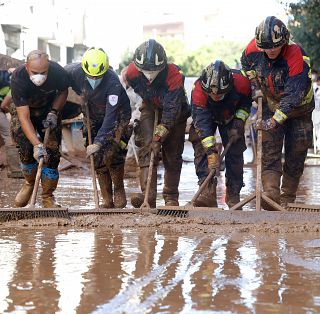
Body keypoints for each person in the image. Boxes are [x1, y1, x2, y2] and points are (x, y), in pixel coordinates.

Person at [241, 16, 314, 209]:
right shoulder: (251, 51)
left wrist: (274, 121)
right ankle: (271, 195)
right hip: (271, 104)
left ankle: (288, 197)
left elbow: (293, 94)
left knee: (297, 151)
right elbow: (246, 66)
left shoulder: (296, 56)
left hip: (300, 109)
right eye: (266, 47)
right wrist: (255, 84)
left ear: (284, 42)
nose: (271, 50)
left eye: (275, 46)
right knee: (270, 150)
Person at [122, 39, 190, 208]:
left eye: (154, 71)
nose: (150, 74)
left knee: (172, 154)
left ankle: (171, 196)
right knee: (146, 146)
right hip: (150, 106)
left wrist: (158, 138)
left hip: (176, 112)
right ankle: (148, 195)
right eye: (145, 70)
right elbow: (133, 90)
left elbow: (170, 113)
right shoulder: (131, 73)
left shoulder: (174, 76)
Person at [65, 47, 132, 208]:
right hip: (93, 112)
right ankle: (107, 199)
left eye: (98, 76)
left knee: (112, 152)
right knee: (97, 158)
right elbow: (58, 78)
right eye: (90, 75)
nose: (94, 78)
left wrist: (99, 142)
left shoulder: (113, 83)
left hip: (117, 115)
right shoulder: (73, 72)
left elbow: (110, 118)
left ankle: (119, 190)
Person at [10, 50, 69, 208]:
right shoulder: (18, 78)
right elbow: (24, 117)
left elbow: (64, 91)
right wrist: (37, 144)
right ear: (27, 67)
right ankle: (29, 183)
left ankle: (47, 196)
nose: (39, 76)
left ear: (48, 68)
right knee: (25, 147)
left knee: (52, 151)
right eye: (35, 72)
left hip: (48, 110)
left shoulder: (58, 72)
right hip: (25, 110)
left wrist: (54, 112)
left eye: (43, 72)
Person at [190, 60, 251, 208]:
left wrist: (239, 122)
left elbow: (246, 103)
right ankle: (207, 191)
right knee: (200, 144)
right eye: (211, 94)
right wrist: (211, 152)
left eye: (220, 94)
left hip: (231, 116)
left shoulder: (242, 82)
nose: (215, 96)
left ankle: (233, 194)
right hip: (207, 116)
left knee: (235, 150)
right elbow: (202, 124)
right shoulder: (198, 91)